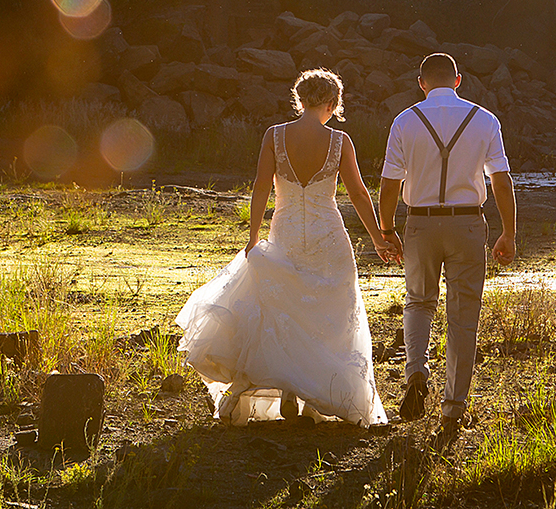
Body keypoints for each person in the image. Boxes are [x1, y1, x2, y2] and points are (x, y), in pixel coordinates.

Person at [176, 68, 395, 427]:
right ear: (332, 103)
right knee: (330, 316)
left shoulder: (274, 136)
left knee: (286, 310)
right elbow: (357, 193)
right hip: (328, 235)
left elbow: (262, 186)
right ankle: (315, 399)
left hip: (288, 231)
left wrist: (252, 237)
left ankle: (292, 393)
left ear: (300, 99)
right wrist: (375, 235)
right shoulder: (340, 141)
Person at [377, 52, 518, 450]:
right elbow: (502, 181)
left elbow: (389, 184)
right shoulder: (485, 120)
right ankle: (452, 410)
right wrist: (508, 232)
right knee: (463, 317)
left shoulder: (405, 121)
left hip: (419, 222)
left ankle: (416, 372)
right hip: (468, 223)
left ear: (421, 83)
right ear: (458, 80)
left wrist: (387, 229)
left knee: (419, 302)